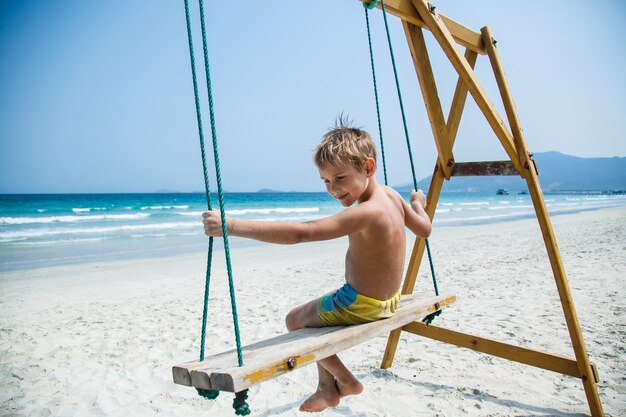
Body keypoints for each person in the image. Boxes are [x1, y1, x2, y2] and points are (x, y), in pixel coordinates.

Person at [202, 120, 432, 413]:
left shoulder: (366, 212)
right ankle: (326, 390)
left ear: (368, 167)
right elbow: (424, 229)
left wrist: (231, 226)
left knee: (295, 320)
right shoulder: (391, 196)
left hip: (361, 305)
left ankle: (345, 381)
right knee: (319, 312)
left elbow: (302, 232)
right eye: (325, 181)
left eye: (340, 178)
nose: (333, 189)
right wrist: (418, 203)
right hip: (389, 301)